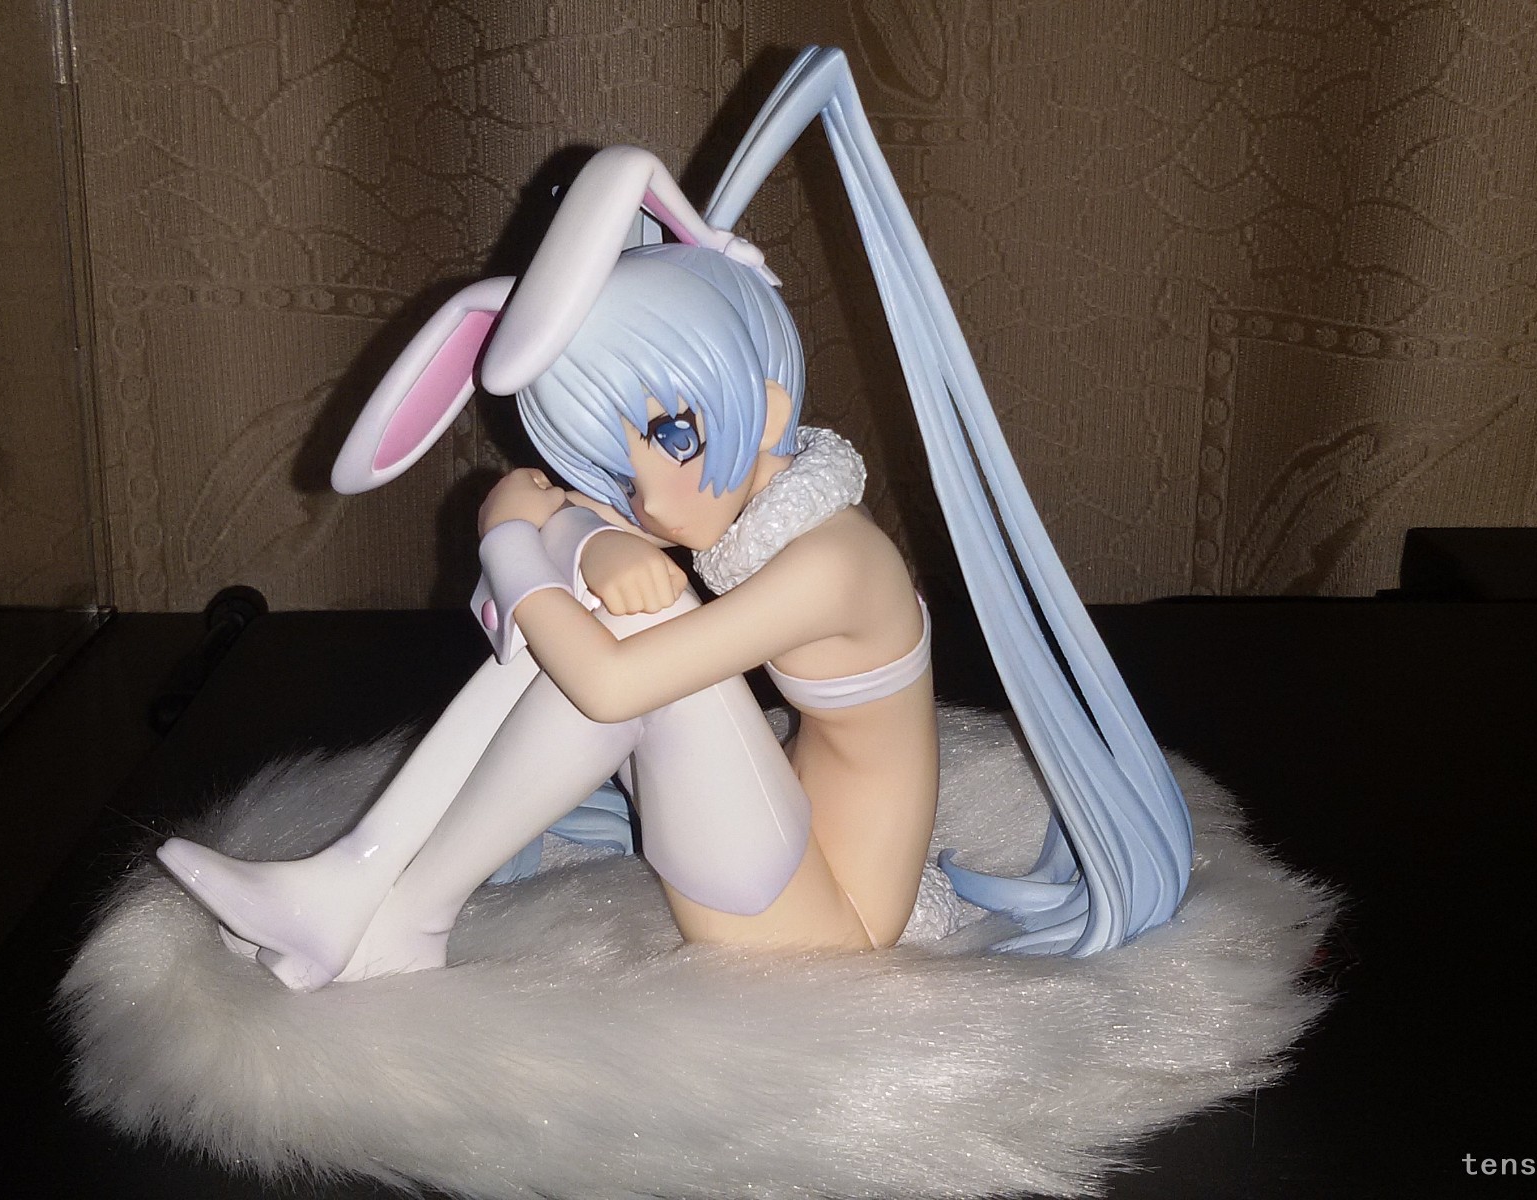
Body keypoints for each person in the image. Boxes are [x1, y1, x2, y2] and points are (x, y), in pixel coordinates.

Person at [157, 47, 1192, 992]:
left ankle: (405, 914)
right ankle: (357, 878)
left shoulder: (835, 564)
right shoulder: (771, 504)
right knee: (614, 614)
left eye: (674, 437)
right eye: (621, 462)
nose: (650, 497)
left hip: (820, 928)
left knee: (634, 636)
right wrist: (597, 537)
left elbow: (607, 682)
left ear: (768, 409)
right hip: (785, 849)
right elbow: (593, 532)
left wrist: (508, 541)